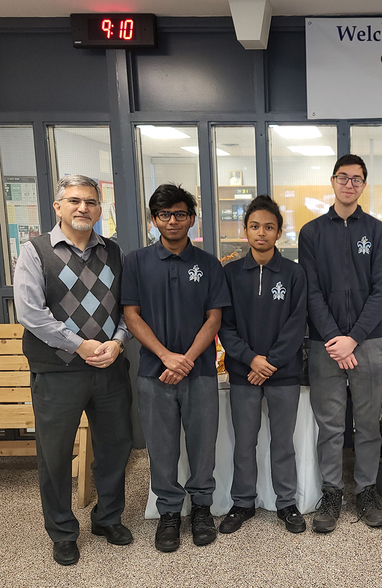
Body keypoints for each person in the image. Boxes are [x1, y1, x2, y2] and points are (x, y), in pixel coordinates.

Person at [14, 174, 133, 566]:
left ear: (100, 209)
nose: (83, 208)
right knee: (55, 454)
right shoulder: (35, 252)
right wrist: (79, 344)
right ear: (58, 207)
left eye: (91, 202)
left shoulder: (114, 252)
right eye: (75, 201)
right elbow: (30, 312)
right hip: (58, 371)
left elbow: (126, 311)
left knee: (116, 448)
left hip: (109, 370)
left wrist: (116, 342)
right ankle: (63, 531)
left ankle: (107, 518)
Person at [122, 184, 230, 552]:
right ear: (154, 219)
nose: (172, 221)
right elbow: (131, 315)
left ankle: (201, 508)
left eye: (180, 214)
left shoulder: (208, 263)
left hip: (198, 372)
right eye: (164, 215)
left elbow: (214, 319)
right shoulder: (136, 262)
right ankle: (169, 512)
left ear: (191, 218)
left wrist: (184, 361)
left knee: (202, 445)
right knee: (161, 446)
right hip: (155, 373)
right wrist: (167, 356)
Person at [298, 154, 382, 532]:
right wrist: (334, 339)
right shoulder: (312, 233)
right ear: (333, 181)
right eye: (343, 177)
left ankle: (367, 491)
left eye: (357, 179)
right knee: (331, 426)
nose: (349, 184)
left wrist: (352, 338)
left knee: (369, 424)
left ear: (364, 185)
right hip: (324, 345)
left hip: (368, 343)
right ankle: (332, 492)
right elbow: (311, 291)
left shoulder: (379, 232)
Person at [217, 195, 308, 534]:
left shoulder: (294, 273)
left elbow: (297, 324)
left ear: (279, 232)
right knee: (245, 440)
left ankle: (287, 503)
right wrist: (251, 358)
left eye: (269, 227)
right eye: (255, 226)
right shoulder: (231, 274)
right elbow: (225, 325)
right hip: (243, 373)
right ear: (245, 231)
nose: (261, 233)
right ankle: (242, 502)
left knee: (283, 441)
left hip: (283, 374)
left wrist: (269, 361)